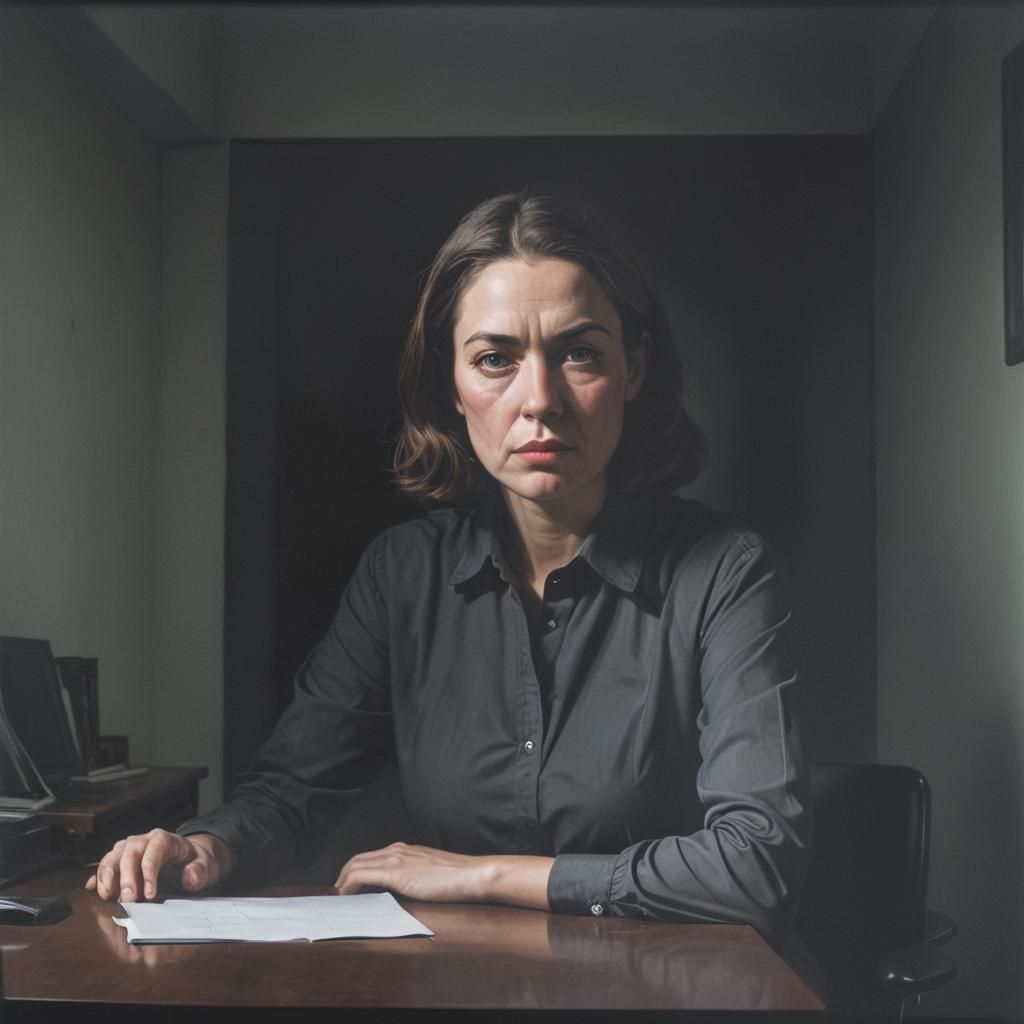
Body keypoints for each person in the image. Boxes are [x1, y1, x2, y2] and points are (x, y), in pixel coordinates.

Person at [87, 191, 809, 948]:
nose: (540, 401)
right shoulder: (403, 575)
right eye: (496, 359)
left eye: (580, 353)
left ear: (633, 366)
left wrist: (484, 873)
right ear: (452, 389)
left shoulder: (725, 574)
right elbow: (292, 789)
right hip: (465, 990)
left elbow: (758, 864)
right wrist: (206, 847)